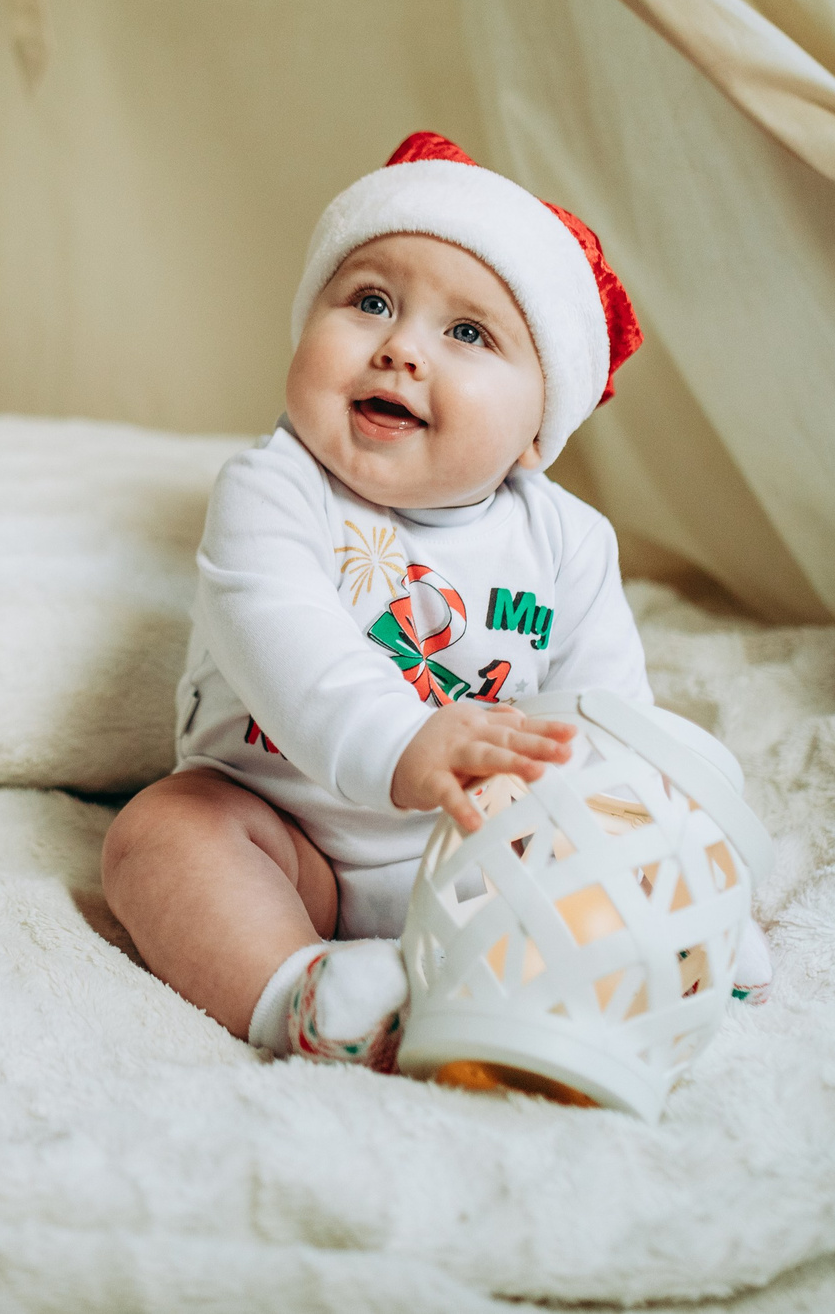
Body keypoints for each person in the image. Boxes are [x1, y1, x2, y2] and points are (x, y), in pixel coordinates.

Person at [102, 131, 765, 1069]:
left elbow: (605, 724)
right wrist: (402, 744)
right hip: (293, 847)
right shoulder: (273, 489)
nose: (401, 348)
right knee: (158, 836)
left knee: (619, 814)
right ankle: (303, 993)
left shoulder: (569, 543)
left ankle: (659, 952)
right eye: (370, 300)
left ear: (538, 431)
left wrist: (644, 868)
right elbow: (286, 639)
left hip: (483, 859)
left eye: (468, 333)